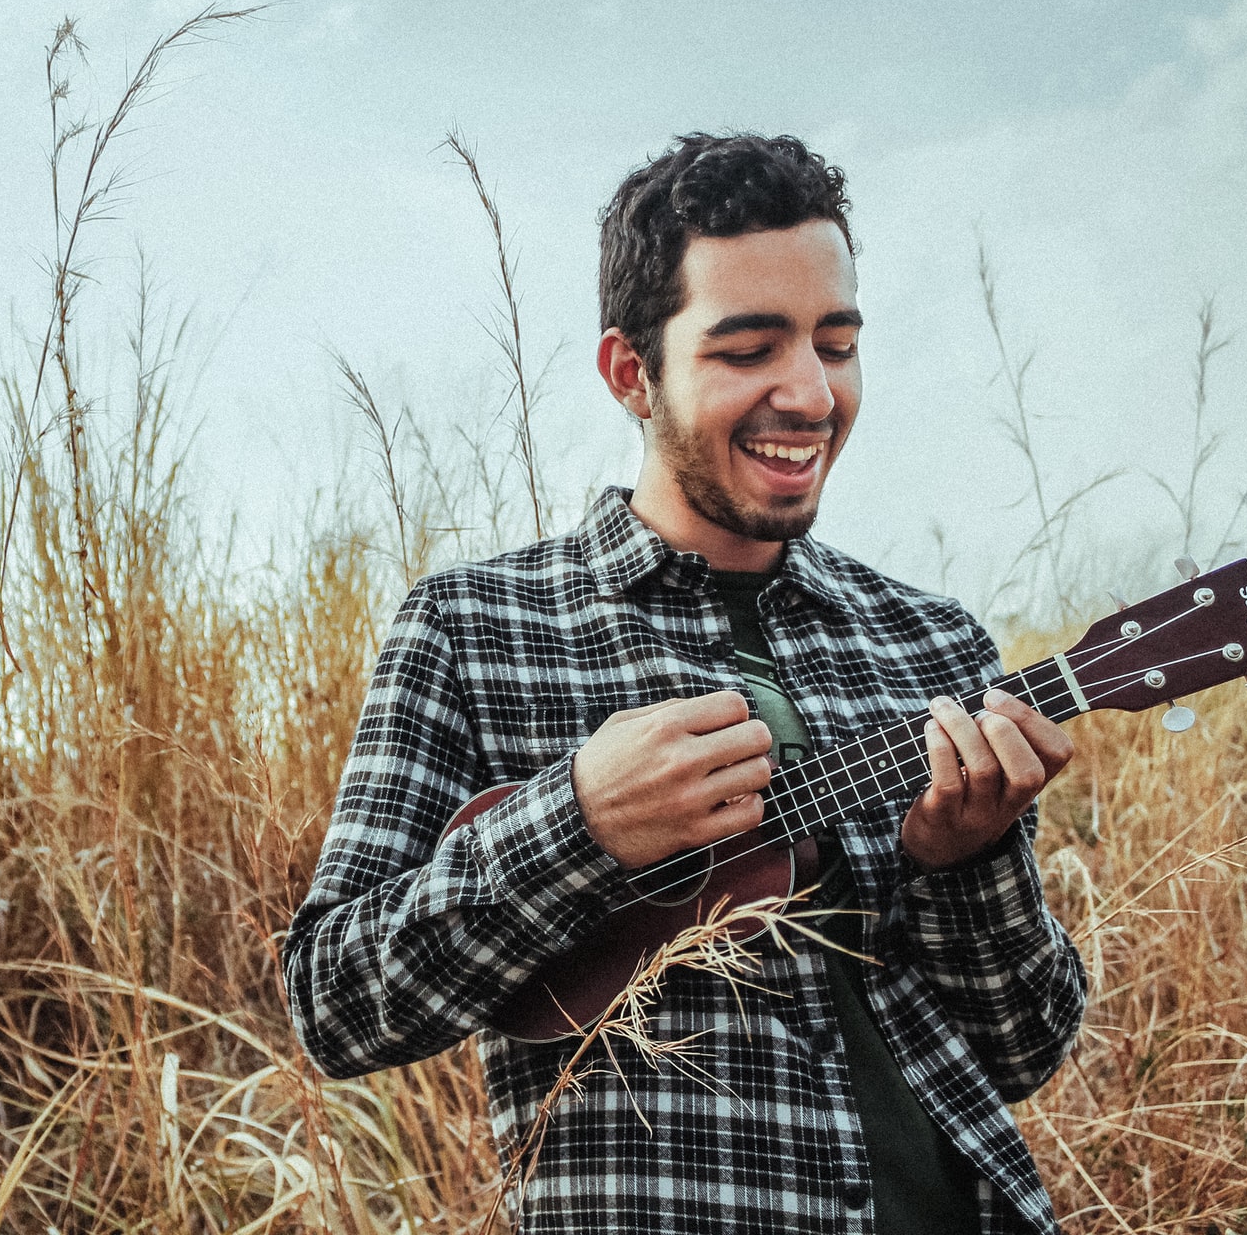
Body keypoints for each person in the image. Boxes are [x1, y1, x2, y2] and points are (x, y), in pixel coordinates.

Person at [282, 133, 1087, 1234]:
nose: (811, 393)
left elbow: (1023, 1051)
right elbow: (334, 1003)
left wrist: (969, 864)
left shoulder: (931, 642)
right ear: (631, 373)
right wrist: (578, 823)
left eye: (838, 344)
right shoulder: (475, 627)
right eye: (749, 349)